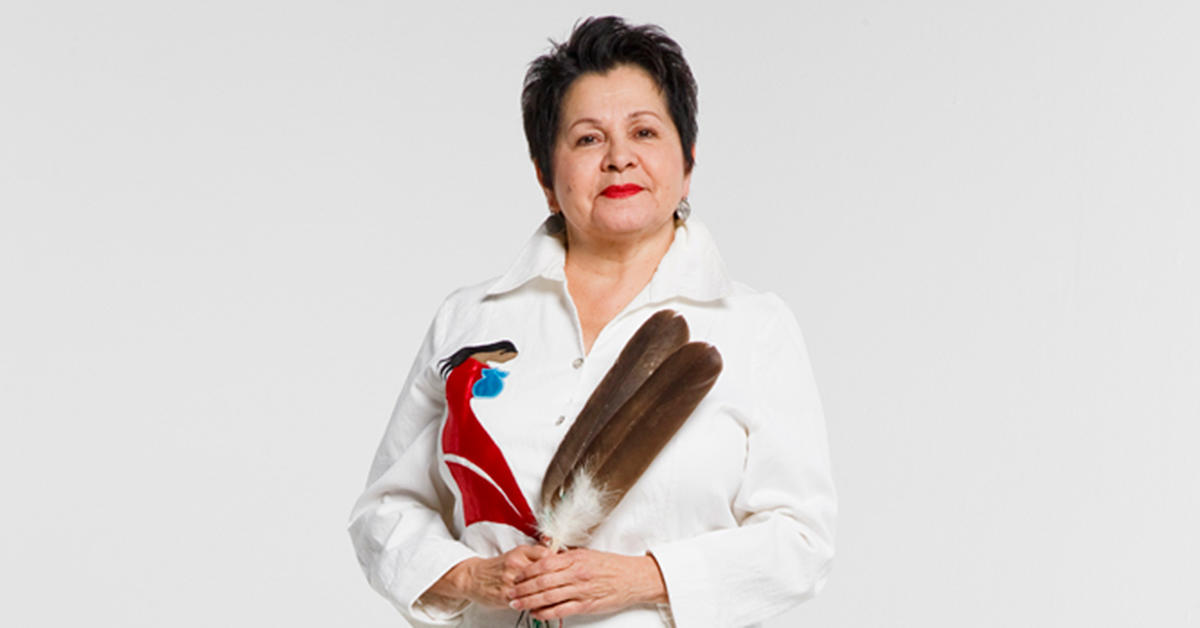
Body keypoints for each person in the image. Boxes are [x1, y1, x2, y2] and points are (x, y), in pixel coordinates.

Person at [348, 16, 836, 627]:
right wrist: (476, 576)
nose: (619, 159)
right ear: (546, 178)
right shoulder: (469, 321)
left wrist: (642, 578)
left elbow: (800, 541)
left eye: (644, 132)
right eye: (587, 140)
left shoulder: (753, 328)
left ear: (686, 163)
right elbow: (386, 510)